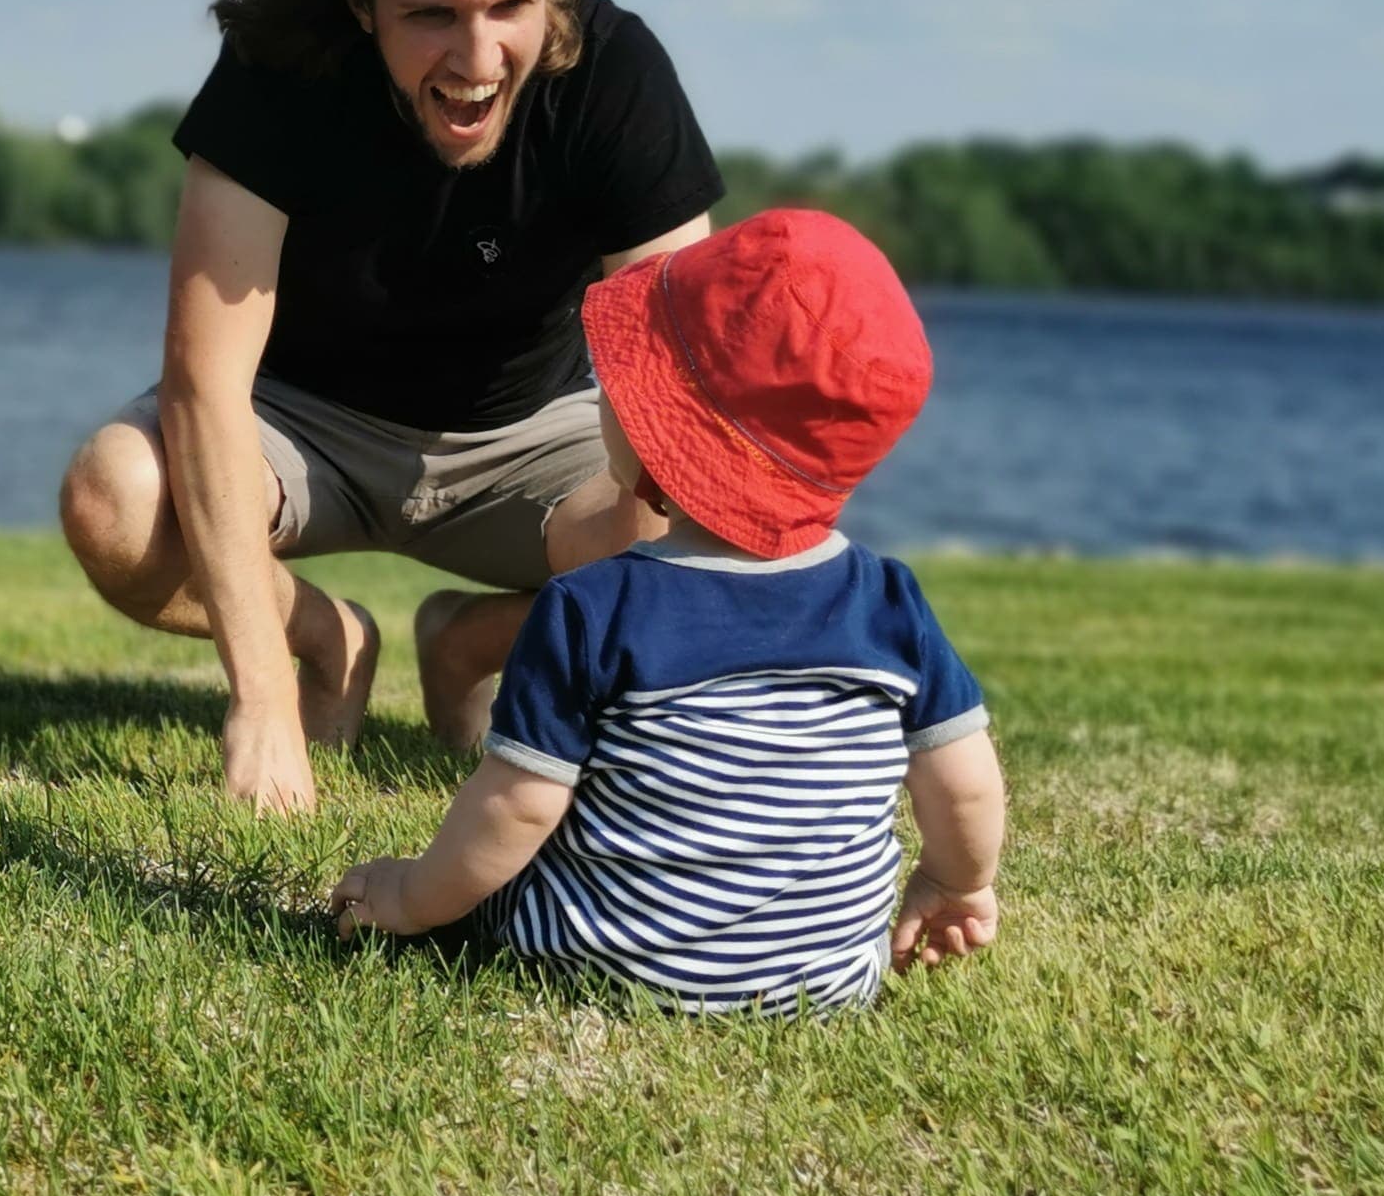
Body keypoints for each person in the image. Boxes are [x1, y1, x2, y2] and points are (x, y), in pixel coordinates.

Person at [59, 0, 723, 810]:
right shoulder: (281, 71)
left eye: (511, 6)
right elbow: (204, 383)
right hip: (299, 431)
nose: (477, 59)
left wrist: (685, 559)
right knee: (114, 497)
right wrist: (265, 696)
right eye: (431, 15)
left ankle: (467, 643)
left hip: (529, 445)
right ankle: (329, 642)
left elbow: (678, 382)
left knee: (697, 524)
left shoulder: (615, 75)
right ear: (362, 3)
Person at [327, 209, 1007, 1013]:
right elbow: (963, 783)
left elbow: (515, 805)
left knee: (506, 880)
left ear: (661, 425)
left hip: (603, 962)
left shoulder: (595, 606)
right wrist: (954, 882)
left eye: (617, 378)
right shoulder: (887, 603)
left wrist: (409, 897)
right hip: (827, 984)